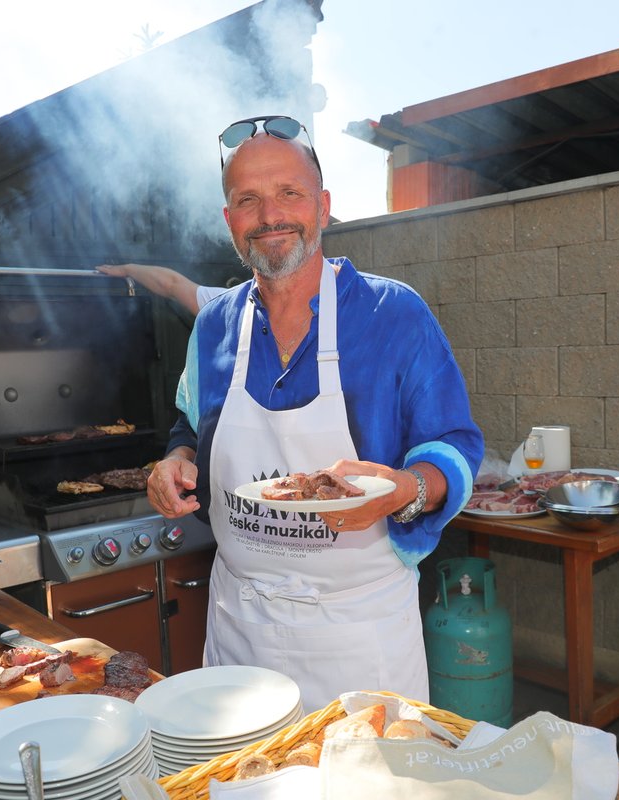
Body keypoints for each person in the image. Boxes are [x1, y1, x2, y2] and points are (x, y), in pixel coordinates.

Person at [145, 116, 484, 711]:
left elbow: (453, 445)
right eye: (247, 199)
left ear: (323, 206)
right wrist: (175, 460)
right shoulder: (213, 326)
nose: (270, 215)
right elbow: (189, 426)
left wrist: (406, 488)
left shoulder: (393, 314)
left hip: (359, 640)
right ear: (230, 222)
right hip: (241, 635)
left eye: (289, 193)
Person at [95, 263, 226, 315]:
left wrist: (127, 269)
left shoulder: (230, 303)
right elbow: (171, 284)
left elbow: (171, 284)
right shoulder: (231, 302)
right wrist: (127, 269)